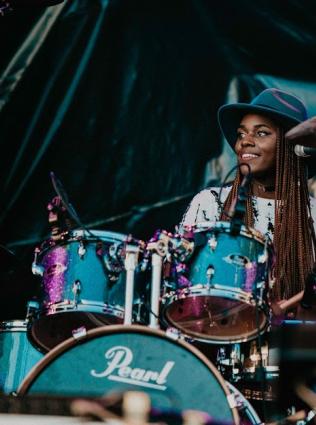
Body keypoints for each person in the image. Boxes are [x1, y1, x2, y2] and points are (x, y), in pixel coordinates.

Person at [180, 87, 316, 305]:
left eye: (261, 133)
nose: (245, 141)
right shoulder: (210, 203)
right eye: (241, 133)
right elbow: (181, 282)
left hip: (292, 337)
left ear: (295, 147)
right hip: (214, 331)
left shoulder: (313, 214)